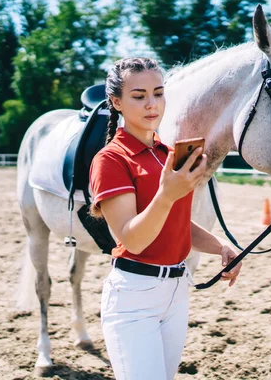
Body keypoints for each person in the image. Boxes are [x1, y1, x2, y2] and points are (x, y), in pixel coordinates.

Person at [89, 57, 242, 380]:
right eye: (139, 95)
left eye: (158, 93)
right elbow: (131, 239)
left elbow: (176, 221)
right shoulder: (110, 160)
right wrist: (167, 193)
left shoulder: (167, 153)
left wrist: (220, 248)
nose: (151, 104)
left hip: (176, 291)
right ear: (116, 102)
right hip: (135, 297)